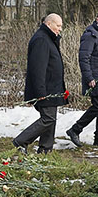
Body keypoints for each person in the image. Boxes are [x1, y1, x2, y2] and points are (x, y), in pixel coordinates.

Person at [13, 14, 67, 154]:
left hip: (52, 87)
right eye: (58, 26)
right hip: (45, 88)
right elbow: (37, 68)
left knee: (51, 118)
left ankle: (45, 149)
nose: (60, 29)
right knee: (48, 118)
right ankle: (21, 141)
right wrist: (40, 91)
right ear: (49, 24)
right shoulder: (41, 39)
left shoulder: (48, 38)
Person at [66, 9, 98, 147]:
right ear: (97, 20)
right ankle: (75, 129)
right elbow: (84, 58)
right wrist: (89, 77)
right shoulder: (90, 35)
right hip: (95, 78)